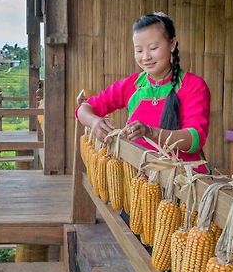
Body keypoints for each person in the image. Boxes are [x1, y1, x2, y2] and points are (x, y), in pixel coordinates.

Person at [76, 12, 210, 173]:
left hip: (183, 181)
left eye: (153, 48)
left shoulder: (193, 86)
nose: (146, 57)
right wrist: (94, 122)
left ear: (172, 44)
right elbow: (83, 109)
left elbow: (194, 139)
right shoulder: (131, 85)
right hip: (138, 178)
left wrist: (151, 132)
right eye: (139, 50)